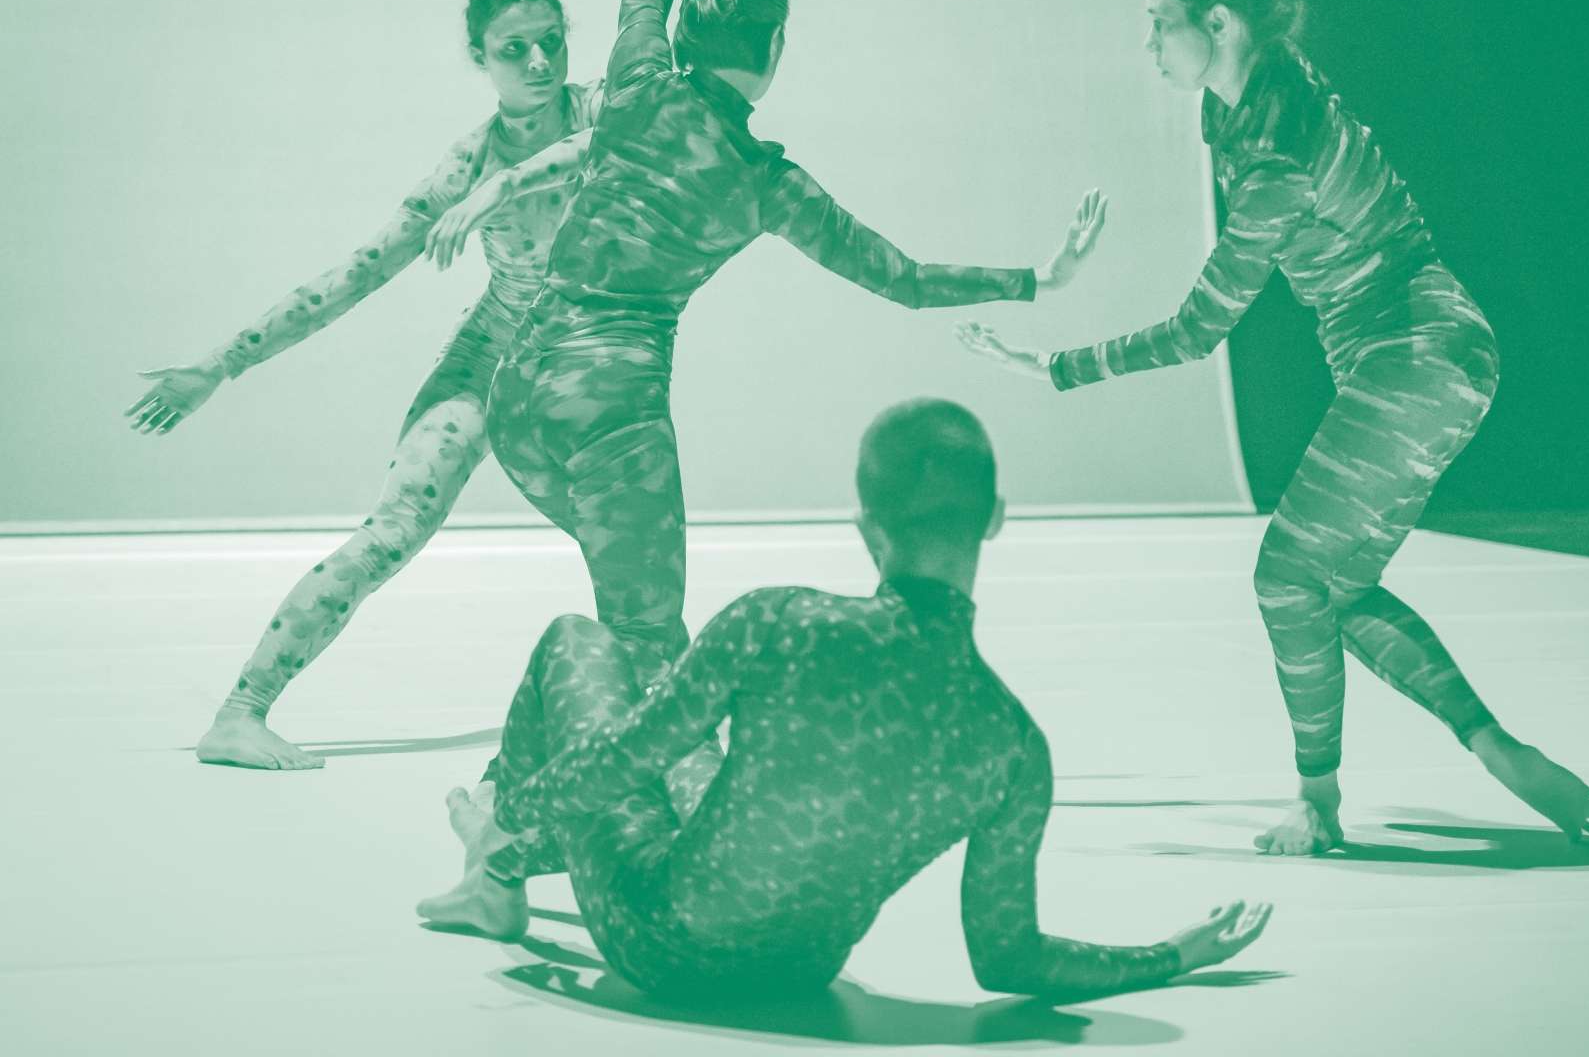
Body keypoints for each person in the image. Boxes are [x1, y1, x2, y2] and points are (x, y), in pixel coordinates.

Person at [958, 0, 1589, 856]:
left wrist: (1060, 367)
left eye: (1157, 24)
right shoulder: (1249, 55)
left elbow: (1200, 327)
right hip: (1434, 351)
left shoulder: (1275, 158)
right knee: (1329, 589)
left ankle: (1318, 802)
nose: (1146, 41)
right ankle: (1491, 746)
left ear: (1216, 24)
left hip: (1415, 352)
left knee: (1284, 577)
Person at [484, 0, 1105, 703]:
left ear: (684, 29)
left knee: (627, 610)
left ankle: (550, 754)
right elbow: (907, 280)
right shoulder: (765, 183)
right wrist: (1038, 279)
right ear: (775, 48)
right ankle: (574, 772)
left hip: (516, 395)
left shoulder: (634, 76)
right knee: (650, 648)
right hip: (610, 413)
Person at [418, 399, 1272, 1000]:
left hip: (660, 946)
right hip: (800, 975)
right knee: (697, 754)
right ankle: (518, 857)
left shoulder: (779, 623)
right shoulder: (1011, 744)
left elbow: (615, 764)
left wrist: (509, 817)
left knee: (580, 641)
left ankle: (494, 875)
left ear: (867, 526)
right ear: (995, 519)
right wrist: (1170, 955)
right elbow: (1007, 961)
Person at [127, 0, 603, 770]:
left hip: (586, 367)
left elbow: (628, 139)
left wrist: (506, 185)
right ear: (478, 57)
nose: (539, 60)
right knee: (392, 532)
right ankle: (239, 714)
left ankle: (659, 717)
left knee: (622, 540)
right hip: (490, 362)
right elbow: (354, 276)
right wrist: (219, 365)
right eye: (513, 48)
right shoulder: (466, 162)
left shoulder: (606, 110)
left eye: (551, 39)